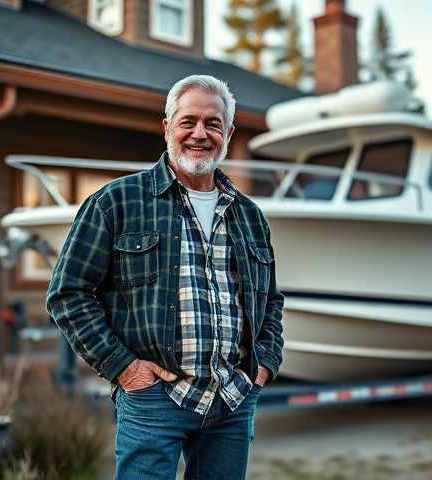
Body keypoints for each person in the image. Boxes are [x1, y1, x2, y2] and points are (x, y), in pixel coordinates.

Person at [46, 74, 285, 479]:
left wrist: (264, 364)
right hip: (153, 399)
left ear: (228, 132)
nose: (199, 133)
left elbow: (271, 302)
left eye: (213, 123)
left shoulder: (249, 215)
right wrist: (123, 367)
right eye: (188, 121)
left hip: (232, 399)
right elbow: (68, 293)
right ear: (167, 128)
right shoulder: (116, 202)